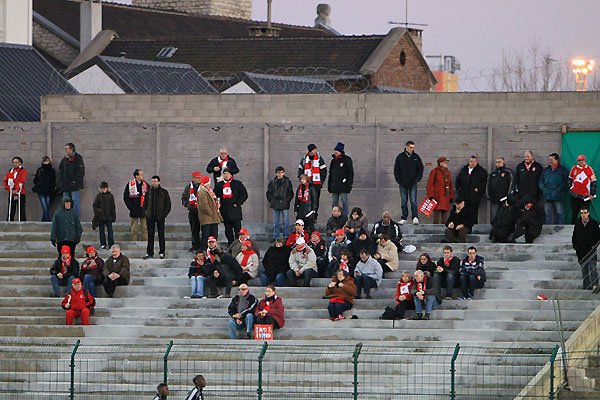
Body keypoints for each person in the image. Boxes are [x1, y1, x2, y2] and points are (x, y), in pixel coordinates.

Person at [214, 168, 248, 246]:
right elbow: (215, 195)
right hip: (225, 210)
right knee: (228, 230)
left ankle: (238, 244)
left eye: (227, 173)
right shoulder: (219, 185)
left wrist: (238, 203)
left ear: (231, 174)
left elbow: (244, 194)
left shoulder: (237, 183)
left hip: (235, 210)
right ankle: (231, 244)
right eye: (224, 174)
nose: (226, 175)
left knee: (237, 229)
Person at [394, 140, 424, 225]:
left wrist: (417, 179)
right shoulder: (400, 157)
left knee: (413, 201)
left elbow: (420, 169)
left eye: (413, 148)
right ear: (406, 147)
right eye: (410, 147)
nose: (412, 149)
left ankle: (415, 217)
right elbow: (396, 169)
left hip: (412, 182)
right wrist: (398, 180)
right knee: (404, 201)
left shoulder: (416, 157)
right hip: (402, 182)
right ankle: (404, 217)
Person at [143, 175, 171, 260]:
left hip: (160, 217)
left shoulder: (163, 192)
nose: (153, 183)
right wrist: (146, 213)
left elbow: (168, 205)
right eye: (152, 181)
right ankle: (149, 252)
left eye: (155, 181)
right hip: (150, 217)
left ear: (159, 182)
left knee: (161, 235)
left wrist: (163, 214)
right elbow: (145, 204)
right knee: (150, 235)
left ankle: (162, 252)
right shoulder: (148, 192)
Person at [572, 207, 600, 292]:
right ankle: (586, 287)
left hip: (591, 250)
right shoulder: (578, 223)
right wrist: (576, 247)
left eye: (585, 213)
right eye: (582, 213)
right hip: (581, 252)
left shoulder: (593, 223)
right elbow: (574, 237)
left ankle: (595, 285)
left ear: (588, 213)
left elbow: (598, 237)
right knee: (584, 270)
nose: (583, 215)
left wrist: (594, 246)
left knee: (592, 268)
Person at [455, 156, 487, 224]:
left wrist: (479, 190)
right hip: (464, 196)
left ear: (477, 162)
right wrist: (460, 190)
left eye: (474, 162)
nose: (472, 163)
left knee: (473, 212)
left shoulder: (481, 171)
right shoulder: (464, 170)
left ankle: (473, 226)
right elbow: (458, 181)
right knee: (464, 212)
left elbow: (485, 182)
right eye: (471, 161)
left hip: (474, 196)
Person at [298, 143, 327, 217]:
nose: (315, 151)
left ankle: (314, 216)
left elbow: (324, 170)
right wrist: (301, 179)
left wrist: (321, 182)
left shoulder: (319, 158)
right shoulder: (305, 159)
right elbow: (300, 169)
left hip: (316, 184)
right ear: (310, 151)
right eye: (314, 150)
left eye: (315, 149)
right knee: (305, 200)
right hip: (307, 183)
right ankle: (305, 216)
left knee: (315, 201)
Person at [539, 153, 569, 225]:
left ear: (557, 160)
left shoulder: (563, 170)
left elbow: (566, 181)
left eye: (552, 159)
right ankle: (548, 230)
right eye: (549, 159)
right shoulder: (546, 170)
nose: (550, 161)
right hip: (547, 195)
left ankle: (561, 229)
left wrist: (559, 189)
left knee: (560, 213)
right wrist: (543, 188)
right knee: (547, 214)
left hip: (557, 195)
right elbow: (540, 181)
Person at [266, 166, 294, 241]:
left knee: (286, 222)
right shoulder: (273, 182)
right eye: (279, 173)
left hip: (284, 203)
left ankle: (286, 236)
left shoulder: (287, 182)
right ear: (276, 173)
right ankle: (276, 236)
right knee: (276, 222)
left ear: (283, 173)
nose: (280, 174)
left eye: (281, 173)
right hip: (275, 204)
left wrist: (287, 201)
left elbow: (290, 193)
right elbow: (269, 193)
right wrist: (272, 201)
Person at [58, 143, 85, 216]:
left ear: (71, 149)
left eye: (67, 148)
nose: (65, 150)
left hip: (74, 185)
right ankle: (66, 217)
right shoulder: (65, 159)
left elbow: (80, 172)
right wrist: (61, 182)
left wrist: (74, 181)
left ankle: (76, 218)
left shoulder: (78, 158)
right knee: (65, 201)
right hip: (65, 185)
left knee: (75, 201)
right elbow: (60, 170)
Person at [569, 155, 597, 224]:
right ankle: (573, 228)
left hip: (585, 196)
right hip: (574, 195)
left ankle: (586, 228)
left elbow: (593, 181)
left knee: (585, 214)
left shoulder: (589, 169)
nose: (580, 162)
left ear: (585, 160)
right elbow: (570, 179)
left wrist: (592, 193)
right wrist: (570, 189)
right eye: (579, 160)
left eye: (582, 160)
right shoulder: (574, 168)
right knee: (574, 213)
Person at [328, 142, 354, 217]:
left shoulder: (347, 160)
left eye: (337, 151)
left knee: (344, 201)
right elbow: (331, 174)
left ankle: (344, 216)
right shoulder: (333, 161)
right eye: (335, 150)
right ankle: (334, 216)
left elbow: (350, 173)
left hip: (343, 186)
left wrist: (349, 185)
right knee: (334, 202)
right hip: (334, 186)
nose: (335, 152)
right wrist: (330, 186)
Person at [426, 157, 454, 224]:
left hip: (445, 197)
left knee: (445, 216)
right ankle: (436, 230)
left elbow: (450, 185)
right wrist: (430, 195)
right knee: (436, 216)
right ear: (440, 163)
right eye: (444, 162)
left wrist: (451, 196)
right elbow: (430, 184)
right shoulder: (434, 171)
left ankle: (444, 230)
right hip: (437, 197)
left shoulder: (447, 172)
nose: (446, 163)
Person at [197, 175, 222, 251]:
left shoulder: (208, 190)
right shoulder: (202, 191)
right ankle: (204, 250)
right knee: (206, 234)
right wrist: (211, 212)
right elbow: (204, 205)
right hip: (207, 217)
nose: (211, 183)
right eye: (210, 181)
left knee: (214, 234)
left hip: (213, 217)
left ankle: (213, 249)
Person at [123, 169, 148, 242]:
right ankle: (134, 242)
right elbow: (126, 197)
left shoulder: (145, 185)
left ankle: (145, 243)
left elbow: (149, 196)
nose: (143, 176)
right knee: (134, 229)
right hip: (134, 210)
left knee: (145, 228)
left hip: (143, 210)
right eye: (141, 174)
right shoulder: (130, 184)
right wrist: (131, 208)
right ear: (136, 176)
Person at [182, 171, 203, 252]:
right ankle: (195, 245)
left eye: (199, 178)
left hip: (202, 211)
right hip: (192, 211)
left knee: (203, 229)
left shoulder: (202, 187)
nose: (199, 179)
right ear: (193, 178)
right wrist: (188, 205)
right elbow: (184, 198)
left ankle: (202, 245)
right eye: (197, 178)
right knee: (194, 229)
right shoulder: (188, 188)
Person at [3, 156, 27, 221]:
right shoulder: (10, 171)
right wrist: (9, 189)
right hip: (12, 192)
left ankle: (22, 221)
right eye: (13, 162)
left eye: (16, 162)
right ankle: (10, 220)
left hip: (20, 192)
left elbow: (21, 181)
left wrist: (16, 189)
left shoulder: (23, 171)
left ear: (20, 163)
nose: (15, 164)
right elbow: (5, 180)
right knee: (11, 208)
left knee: (21, 208)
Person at [92, 181, 116, 249]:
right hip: (101, 217)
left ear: (107, 188)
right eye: (102, 188)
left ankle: (111, 243)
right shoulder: (98, 196)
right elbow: (94, 205)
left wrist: (113, 217)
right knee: (102, 232)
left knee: (110, 231)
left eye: (104, 188)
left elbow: (113, 207)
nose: (103, 190)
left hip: (108, 217)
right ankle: (103, 243)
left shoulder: (110, 196)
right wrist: (97, 212)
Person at [32, 156, 55, 222]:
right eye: (45, 161)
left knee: (47, 206)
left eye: (47, 161)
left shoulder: (52, 171)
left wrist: (52, 189)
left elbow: (53, 181)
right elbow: (36, 179)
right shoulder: (40, 170)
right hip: (41, 191)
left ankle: (44, 220)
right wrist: (38, 185)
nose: (46, 163)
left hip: (49, 191)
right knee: (44, 206)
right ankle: (47, 220)